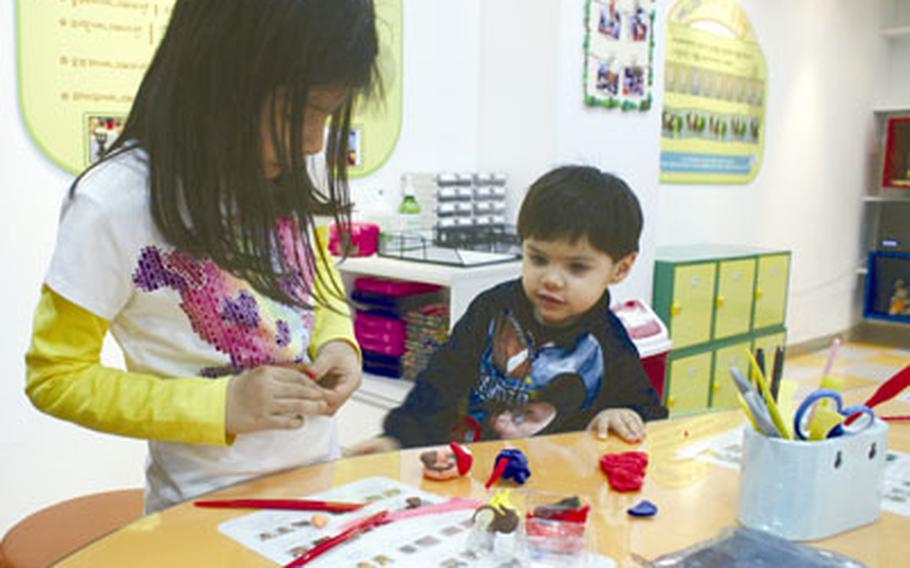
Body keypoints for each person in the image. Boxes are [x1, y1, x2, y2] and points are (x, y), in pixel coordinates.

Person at [25, 0, 379, 513]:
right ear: (215, 82)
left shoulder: (284, 171)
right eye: (294, 113)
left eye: (326, 112)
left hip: (316, 486)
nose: (310, 142)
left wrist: (338, 340)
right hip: (204, 510)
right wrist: (220, 405)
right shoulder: (112, 203)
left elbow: (313, 274)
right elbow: (55, 376)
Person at [351, 166, 667, 454]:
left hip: (559, 491)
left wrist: (624, 414)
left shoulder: (608, 340)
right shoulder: (491, 309)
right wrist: (397, 439)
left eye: (576, 268)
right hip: (475, 472)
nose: (551, 280)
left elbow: (647, 414)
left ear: (620, 268)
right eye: (538, 259)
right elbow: (440, 382)